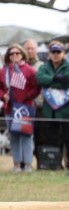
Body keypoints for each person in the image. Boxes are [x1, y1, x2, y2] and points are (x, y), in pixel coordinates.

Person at [36, 41, 69, 169]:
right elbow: (39, 79)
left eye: (58, 52)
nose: (56, 54)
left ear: (63, 53)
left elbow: (68, 81)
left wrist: (50, 81)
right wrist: (56, 78)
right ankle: (54, 164)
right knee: (51, 138)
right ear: (49, 54)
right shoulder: (44, 66)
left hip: (66, 110)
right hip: (50, 110)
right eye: (53, 52)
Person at [0, 44, 39, 172]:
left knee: (26, 136)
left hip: (25, 108)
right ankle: (16, 165)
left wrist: (27, 97)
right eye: (11, 53)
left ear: (22, 54)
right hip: (9, 108)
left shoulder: (29, 70)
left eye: (17, 53)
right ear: (8, 56)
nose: (15, 55)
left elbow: (36, 87)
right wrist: (3, 96)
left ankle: (27, 165)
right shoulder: (4, 70)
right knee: (13, 136)